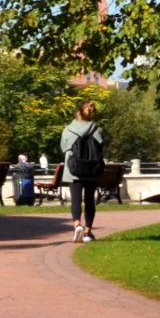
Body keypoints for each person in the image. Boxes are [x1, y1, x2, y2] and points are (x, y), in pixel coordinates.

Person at [60, 99, 109, 243]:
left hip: (74, 169)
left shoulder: (68, 129)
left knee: (75, 199)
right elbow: (101, 147)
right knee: (89, 200)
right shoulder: (97, 129)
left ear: (78, 112)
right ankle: (88, 232)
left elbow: (64, 147)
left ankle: (77, 225)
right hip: (92, 168)